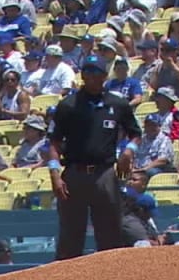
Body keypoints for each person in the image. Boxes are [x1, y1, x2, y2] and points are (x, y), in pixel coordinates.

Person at [48, 55, 142, 260]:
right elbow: (54, 142)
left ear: (104, 76)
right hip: (74, 174)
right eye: (87, 73)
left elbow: (135, 133)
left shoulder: (117, 104)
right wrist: (55, 173)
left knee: (110, 234)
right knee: (70, 236)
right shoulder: (68, 105)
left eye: (96, 73)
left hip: (105, 173)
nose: (91, 78)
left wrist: (128, 151)